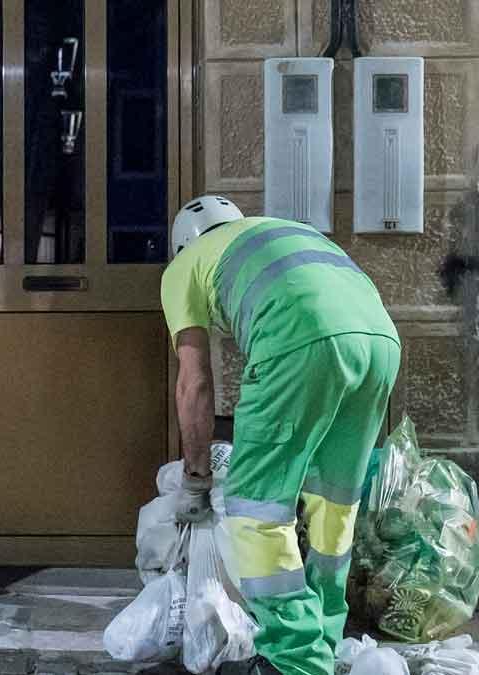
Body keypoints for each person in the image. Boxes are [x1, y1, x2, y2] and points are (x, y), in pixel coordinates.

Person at [160, 196, 401, 675]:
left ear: (183, 244)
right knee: (333, 505)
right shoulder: (281, 231)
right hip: (380, 344)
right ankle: (323, 643)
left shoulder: (183, 266)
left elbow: (194, 383)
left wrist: (196, 477)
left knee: (256, 510)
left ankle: (294, 660)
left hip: (299, 339)